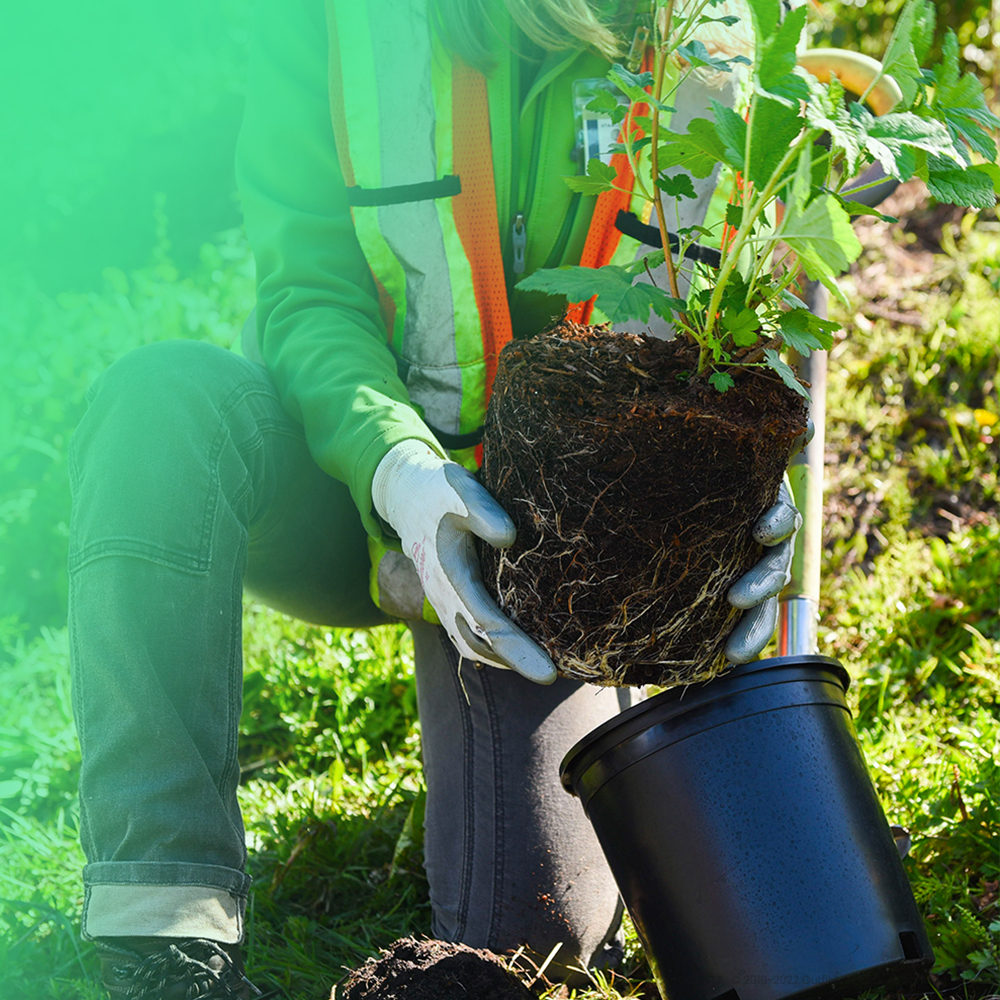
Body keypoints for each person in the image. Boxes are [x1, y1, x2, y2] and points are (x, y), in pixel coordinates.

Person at [68, 1, 802, 996]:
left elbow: (759, 315)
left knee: (535, 941)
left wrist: (746, 496)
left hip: (567, 578)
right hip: (357, 496)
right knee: (160, 409)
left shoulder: (725, 32)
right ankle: (162, 938)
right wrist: (399, 476)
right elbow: (309, 293)